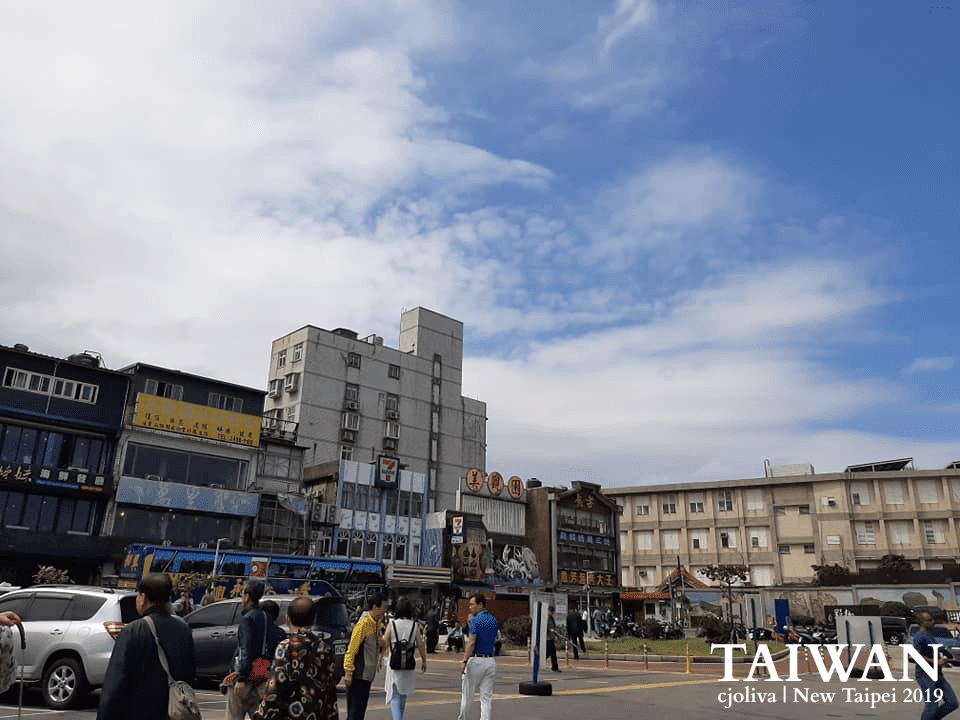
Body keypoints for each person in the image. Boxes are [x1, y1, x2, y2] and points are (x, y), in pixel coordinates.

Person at [97, 573, 196, 720]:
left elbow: (114, 684)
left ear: (143, 598)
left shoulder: (132, 631)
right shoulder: (183, 630)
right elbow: (189, 674)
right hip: (172, 713)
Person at [251, 596, 340, 720]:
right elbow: (330, 690)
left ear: (288, 619)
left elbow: (275, 687)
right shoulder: (324, 648)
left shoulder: (286, 647)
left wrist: (261, 715)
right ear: (313, 620)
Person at [224, 579, 272, 720]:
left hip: (247, 675)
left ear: (247, 596)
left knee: (234, 714)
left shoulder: (247, 618)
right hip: (262, 675)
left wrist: (241, 677)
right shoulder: (266, 616)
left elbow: (246, 648)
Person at [344, 593, 387, 720]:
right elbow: (352, 649)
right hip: (359, 674)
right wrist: (348, 672)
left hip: (367, 675)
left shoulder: (375, 625)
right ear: (374, 607)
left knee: (359, 712)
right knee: (355, 713)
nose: (384, 611)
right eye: (382, 608)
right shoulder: (363, 624)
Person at [383, 597, 427, 720]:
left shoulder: (392, 624)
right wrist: (424, 660)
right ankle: (400, 717)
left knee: (395, 695)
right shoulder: (415, 625)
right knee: (403, 695)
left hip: (394, 664)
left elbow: (384, 642)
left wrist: (379, 658)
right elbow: (420, 644)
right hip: (408, 665)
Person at [458, 592, 499, 720]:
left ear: (480, 605)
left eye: (472, 604)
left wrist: (464, 661)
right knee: (486, 698)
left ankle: (464, 718)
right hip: (490, 660)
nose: (470, 607)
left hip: (476, 660)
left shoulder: (476, 620)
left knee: (467, 695)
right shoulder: (493, 620)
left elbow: (471, 642)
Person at [913, 611, 959, 720]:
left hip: (937, 674)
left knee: (952, 702)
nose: (932, 622)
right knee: (932, 706)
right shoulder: (919, 637)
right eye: (929, 620)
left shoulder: (930, 637)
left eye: (932, 619)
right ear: (922, 623)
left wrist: (943, 660)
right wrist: (936, 662)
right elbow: (914, 656)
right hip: (925, 675)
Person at [546, 606, 561, 672]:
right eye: (551, 611)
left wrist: (555, 630)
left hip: (551, 638)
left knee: (549, 653)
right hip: (547, 638)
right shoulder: (546, 618)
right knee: (551, 653)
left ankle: (555, 667)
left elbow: (554, 626)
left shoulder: (551, 618)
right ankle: (555, 667)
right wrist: (550, 630)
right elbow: (544, 627)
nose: (552, 613)